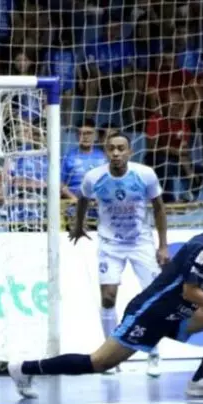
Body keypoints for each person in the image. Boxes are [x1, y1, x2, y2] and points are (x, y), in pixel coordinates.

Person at [8, 199, 203, 400]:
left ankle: (199, 381)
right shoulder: (202, 248)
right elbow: (190, 292)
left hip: (177, 314)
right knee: (99, 362)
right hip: (150, 313)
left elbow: (196, 292)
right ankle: (24, 369)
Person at [70, 132, 169, 377]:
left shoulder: (145, 174)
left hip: (140, 242)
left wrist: (163, 246)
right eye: (111, 148)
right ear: (106, 151)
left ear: (129, 151)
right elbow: (83, 200)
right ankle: (109, 357)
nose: (116, 153)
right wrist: (78, 226)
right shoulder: (94, 177)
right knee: (108, 297)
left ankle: (153, 352)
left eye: (121, 148)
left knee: (152, 299)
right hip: (110, 244)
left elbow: (159, 208)